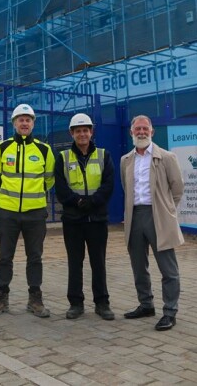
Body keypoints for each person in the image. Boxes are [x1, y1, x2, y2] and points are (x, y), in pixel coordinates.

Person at [0, 104, 55, 318]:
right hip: (7, 213)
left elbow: (49, 180)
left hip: (35, 213)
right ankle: (1, 297)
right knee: (4, 256)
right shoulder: (2, 148)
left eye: (28, 119)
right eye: (20, 119)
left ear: (33, 123)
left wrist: (33, 196)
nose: (24, 123)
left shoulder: (44, 150)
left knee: (35, 257)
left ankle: (35, 299)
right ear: (14, 123)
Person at [120, 115, 184, 331]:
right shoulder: (126, 160)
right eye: (137, 128)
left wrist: (166, 209)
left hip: (158, 216)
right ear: (131, 132)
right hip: (135, 216)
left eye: (145, 128)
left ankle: (170, 311)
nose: (141, 132)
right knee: (139, 265)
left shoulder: (166, 157)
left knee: (168, 267)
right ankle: (146, 304)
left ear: (152, 131)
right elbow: (125, 187)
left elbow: (177, 189)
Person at [54, 113, 115, 321]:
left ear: (91, 132)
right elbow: (60, 188)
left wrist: (93, 201)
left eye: (85, 130)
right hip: (73, 219)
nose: (82, 134)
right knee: (75, 262)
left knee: (98, 262)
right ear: (72, 133)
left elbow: (108, 184)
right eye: (78, 130)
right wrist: (78, 202)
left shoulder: (104, 155)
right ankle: (76, 303)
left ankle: (102, 302)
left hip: (97, 218)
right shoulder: (63, 157)